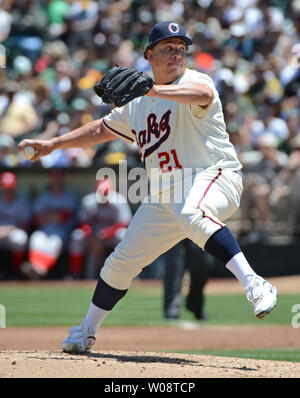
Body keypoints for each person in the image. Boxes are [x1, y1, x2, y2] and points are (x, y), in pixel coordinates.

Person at [19, 21, 278, 354]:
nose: (176, 54)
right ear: (150, 55)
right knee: (120, 263)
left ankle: (255, 285)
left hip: (214, 175)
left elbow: (202, 96)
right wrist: (54, 143)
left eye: (181, 49)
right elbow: (101, 129)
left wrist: (152, 90)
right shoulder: (137, 106)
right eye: (168, 48)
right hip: (166, 192)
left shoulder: (194, 81)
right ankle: (86, 330)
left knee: (192, 211)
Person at [68, 178, 132, 279]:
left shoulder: (119, 200)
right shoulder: (89, 201)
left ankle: (128, 272)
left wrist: (106, 234)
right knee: (77, 236)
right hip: (93, 235)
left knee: (123, 235)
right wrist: (91, 237)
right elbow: (83, 222)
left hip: (112, 235)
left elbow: (124, 223)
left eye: (106, 193)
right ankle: (75, 274)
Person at [21, 169, 77, 279]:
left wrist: (47, 216)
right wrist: (54, 215)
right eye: (54, 178)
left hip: (62, 230)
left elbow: (64, 218)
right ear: (50, 180)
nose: (56, 181)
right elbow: (37, 219)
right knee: (36, 239)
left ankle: (39, 269)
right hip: (44, 229)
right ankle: (37, 268)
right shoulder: (43, 197)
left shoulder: (69, 197)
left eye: (58, 178)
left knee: (54, 243)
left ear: (63, 180)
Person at [163, 239, 213, 320]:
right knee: (174, 265)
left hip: (196, 227)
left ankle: (195, 303)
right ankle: (172, 308)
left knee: (204, 262)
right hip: (173, 228)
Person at [0, 172, 31, 278]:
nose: (8, 191)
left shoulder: (21, 202)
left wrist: (9, 229)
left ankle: (16, 272)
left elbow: (25, 226)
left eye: (10, 188)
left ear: (14, 187)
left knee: (20, 238)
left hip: (12, 233)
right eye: (5, 188)